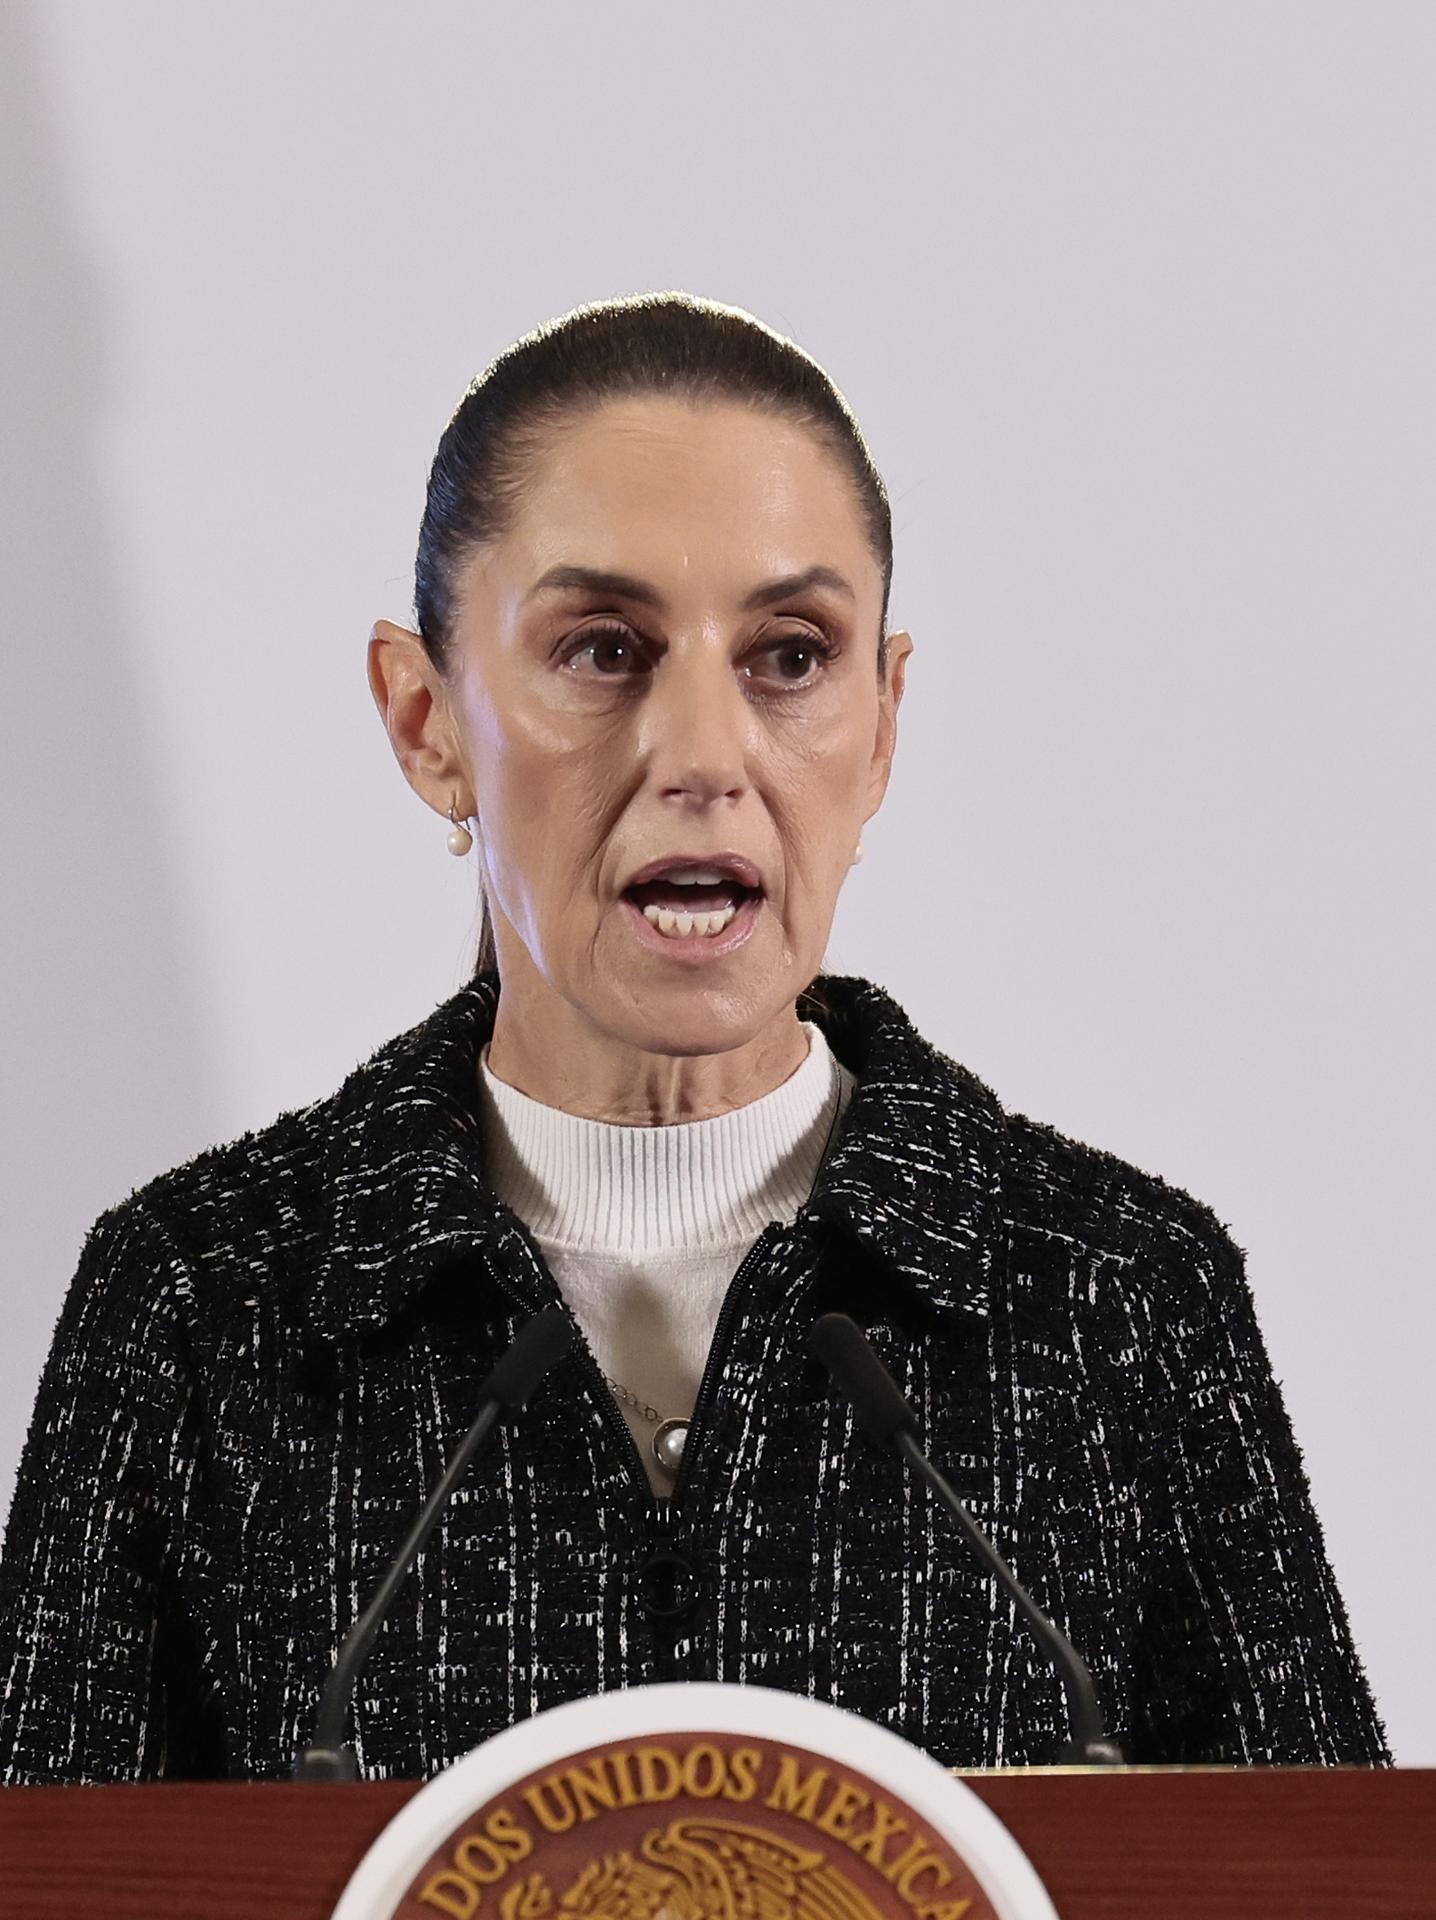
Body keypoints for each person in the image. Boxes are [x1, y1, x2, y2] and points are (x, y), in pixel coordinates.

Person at [0, 293, 1389, 1783]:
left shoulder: (1123, 1299)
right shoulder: (203, 1302)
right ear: (426, 722)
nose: (705, 757)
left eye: (790, 658)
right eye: (603, 650)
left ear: (883, 722)